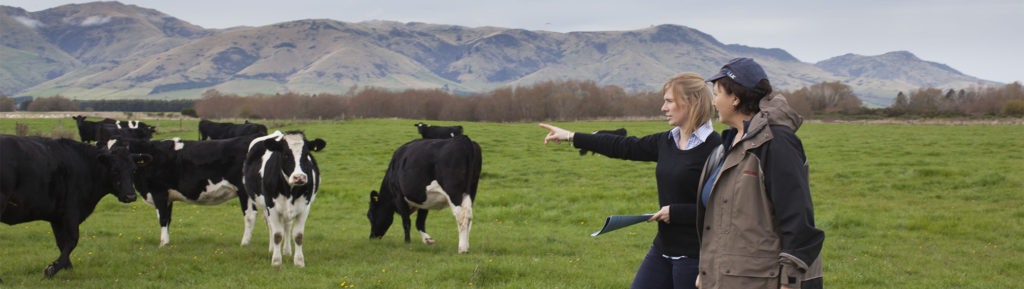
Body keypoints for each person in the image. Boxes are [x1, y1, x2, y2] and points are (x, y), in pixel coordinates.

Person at [540, 72, 721, 289]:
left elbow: (722, 209)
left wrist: (677, 212)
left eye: (669, 101)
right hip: (663, 249)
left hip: (695, 256)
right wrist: (571, 136)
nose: (663, 108)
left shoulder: (717, 149)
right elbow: (624, 146)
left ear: (691, 102)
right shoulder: (666, 141)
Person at [694, 58, 824, 289]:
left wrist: (790, 282)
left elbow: (797, 217)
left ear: (735, 98)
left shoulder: (777, 143)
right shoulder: (729, 144)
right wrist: (707, 272)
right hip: (727, 277)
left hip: (761, 280)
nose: (713, 102)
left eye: (716, 93)